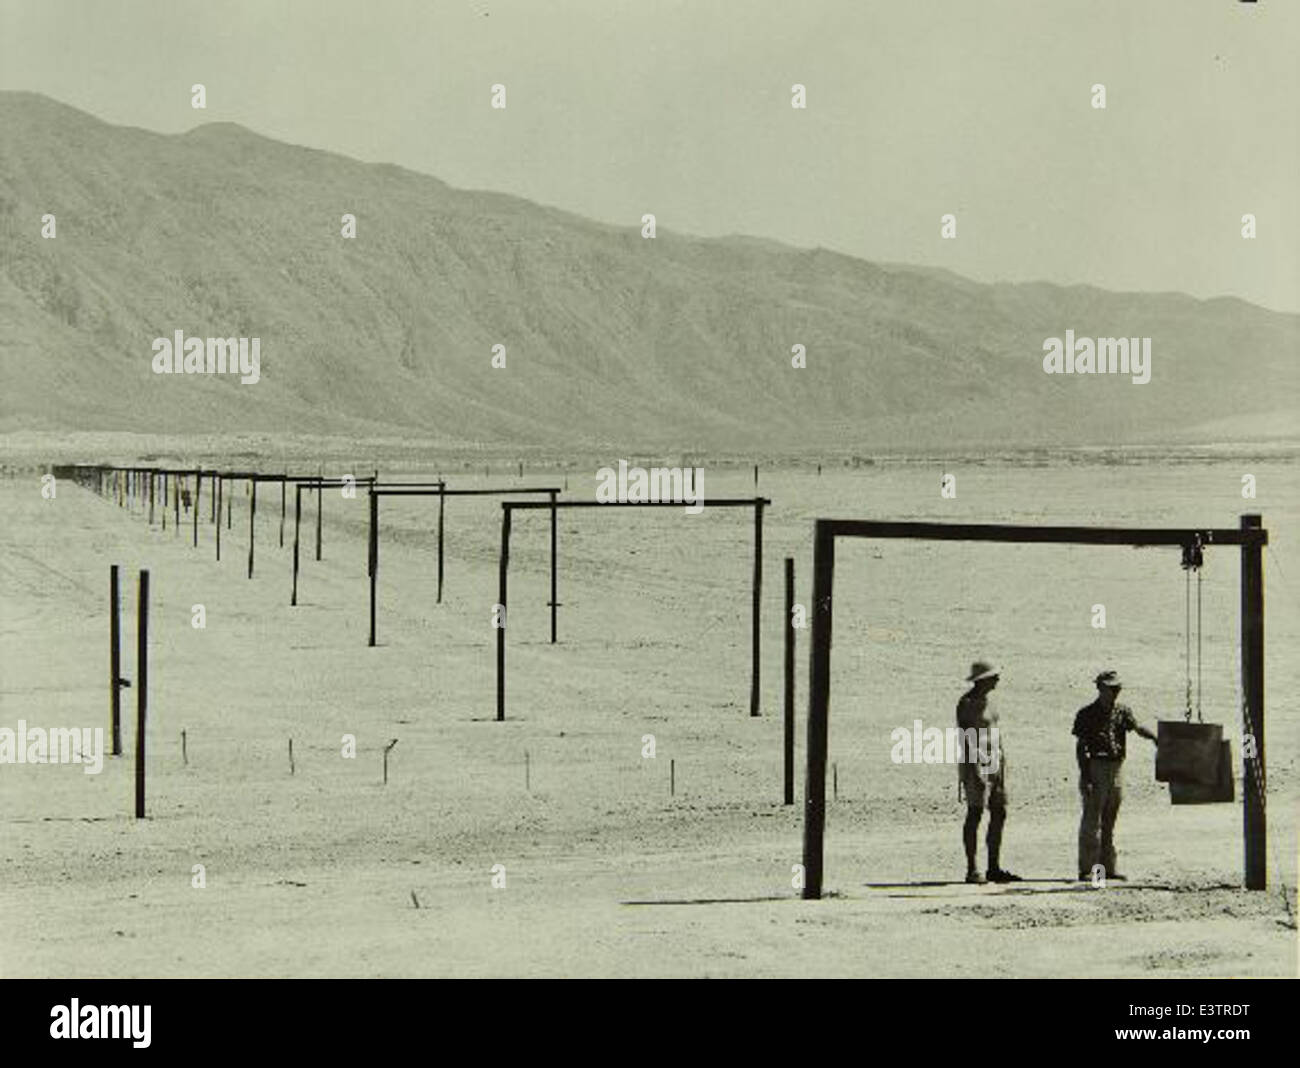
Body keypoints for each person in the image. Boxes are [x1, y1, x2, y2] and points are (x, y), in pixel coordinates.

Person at [1072, 670, 1156, 881]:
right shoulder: (1087, 714)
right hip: (1096, 766)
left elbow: (1136, 728)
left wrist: (1155, 737)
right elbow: (1081, 748)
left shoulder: (1122, 711)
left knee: (1109, 819)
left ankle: (1106, 868)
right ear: (1100, 688)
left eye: (1118, 688)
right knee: (1093, 821)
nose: (1116, 692)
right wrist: (1086, 775)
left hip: (1117, 766)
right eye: (1112, 688)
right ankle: (1089, 869)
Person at [957, 661, 1019, 884]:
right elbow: (966, 737)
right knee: (975, 813)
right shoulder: (967, 703)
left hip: (995, 761)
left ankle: (994, 867)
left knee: (999, 811)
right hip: (977, 762)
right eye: (993, 677)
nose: (997, 680)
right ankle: (973, 868)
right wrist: (975, 770)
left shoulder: (989, 702)